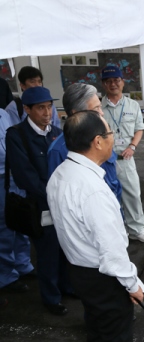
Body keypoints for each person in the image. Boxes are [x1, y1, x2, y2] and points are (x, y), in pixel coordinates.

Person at [47, 110, 144, 342]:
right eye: (110, 132)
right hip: (103, 279)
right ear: (98, 141)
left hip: (80, 271)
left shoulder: (60, 174)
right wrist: (132, 285)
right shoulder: (93, 190)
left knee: (98, 335)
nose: (113, 137)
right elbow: (112, 250)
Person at [5, 86, 72, 316]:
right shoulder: (17, 134)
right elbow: (25, 175)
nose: (46, 112)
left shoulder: (55, 131)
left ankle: (66, 286)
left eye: (49, 106)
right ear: (27, 109)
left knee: (65, 247)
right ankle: (51, 297)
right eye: (41, 108)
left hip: (61, 201)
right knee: (47, 251)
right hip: (41, 204)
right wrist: (51, 196)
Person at [100, 66, 144, 243]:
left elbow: (139, 129)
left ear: (123, 82)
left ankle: (137, 229)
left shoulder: (132, 105)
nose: (113, 84)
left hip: (126, 158)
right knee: (109, 196)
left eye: (116, 80)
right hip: (105, 161)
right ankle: (117, 231)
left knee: (132, 194)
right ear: (103, 84)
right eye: (109, 81)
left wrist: (133, 146)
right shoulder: (98, 107)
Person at [47, 83, 122, 202]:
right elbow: (60, 197)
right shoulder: (58, 150)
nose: (101, 113)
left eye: (100, 107)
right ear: (76, 113)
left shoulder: (102, 137)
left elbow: (114, 181)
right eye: (95, 109)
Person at [0, 108, 35, 294]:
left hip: (13, 176)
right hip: (0, 179)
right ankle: (7, 276)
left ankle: (23, 265)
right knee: (4, 228)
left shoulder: (3, 114)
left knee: (21, 220)